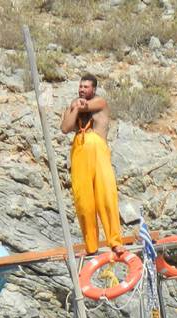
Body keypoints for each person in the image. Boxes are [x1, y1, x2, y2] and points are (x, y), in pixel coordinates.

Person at [60, 73, 123, 255]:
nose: (82, 89)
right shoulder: (73, 105)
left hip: (98, 151)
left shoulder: (100, 102)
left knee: (106, 196)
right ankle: (91, 246)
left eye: (86, 87)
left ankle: (115, 241)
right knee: (83, 201)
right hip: (79, 153)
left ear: (93, 89)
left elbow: (87, 106)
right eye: (80, 86)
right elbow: (65, 128)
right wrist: (74, 109)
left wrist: (78, 106)